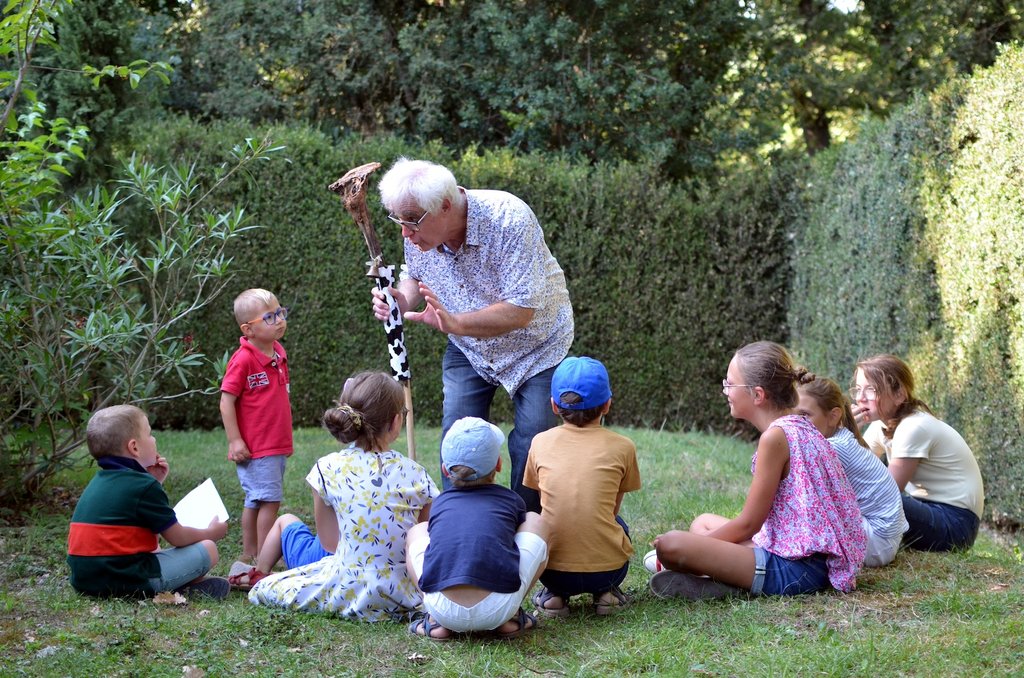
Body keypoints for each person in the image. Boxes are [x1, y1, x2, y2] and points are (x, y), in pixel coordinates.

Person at [373, 158, 574, 512]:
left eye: (411, 222)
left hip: (537, 348)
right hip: (470, 350)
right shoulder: (420, 228)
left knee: (531, 444)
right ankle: (461, 524)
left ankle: (522, 528)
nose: (404, 232)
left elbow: (521, 310)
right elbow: (414, 275)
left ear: (446, 206)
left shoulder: (509, 218)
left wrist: (456, 324)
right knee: (458, 441)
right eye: (398, 221)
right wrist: (400, 300)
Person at [649, 341, 866, 600]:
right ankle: (721, 581)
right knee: (702, 522)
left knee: (671, 545)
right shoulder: (800, 427)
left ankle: (724, 580)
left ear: (758, 395)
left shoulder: (775, 437)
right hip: (802, 554)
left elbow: (749, 524)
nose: (725, 390)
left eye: (730, 384)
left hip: (796, 569)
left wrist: (694, 547)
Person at [248, 372, 439, 619]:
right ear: (395, 421)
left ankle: (257, 573)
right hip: (405, 593)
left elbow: (329, 543)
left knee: (263, 590)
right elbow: (424, 539)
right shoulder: (416, 474)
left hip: (347, 588)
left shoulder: (325, 469)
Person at [405, 417, 549, 640]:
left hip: (444, 609)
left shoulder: (441, 503)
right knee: (534, 520)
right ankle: (511, 617)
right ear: (498, 465)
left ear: (445, 469)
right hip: (497, 608)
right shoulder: (511, 500)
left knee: (417, 530)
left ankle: (434, 621)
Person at [67, 405, 229, 599]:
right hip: (126, 581)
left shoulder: (98, 482)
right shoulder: (142, 486)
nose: (154, 439)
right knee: (208, 548)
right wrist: (212, 533)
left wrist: (155, 482)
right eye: (150, 434)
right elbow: (177, 537)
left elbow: (138, 526)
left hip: (85, 581)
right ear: (134, 447)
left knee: (155, 548)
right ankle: (177, 588)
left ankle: (180, 587)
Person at [523, 356, 641, 616]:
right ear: (607, 404)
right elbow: (611, 510)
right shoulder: (624, 447)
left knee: (546, 523)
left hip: (552, 573)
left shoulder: (539, 443)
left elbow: (547, 504)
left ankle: (554, 597)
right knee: (618, 523)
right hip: (608, 571)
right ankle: (607, 593)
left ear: (554, 406)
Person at [851, 354, 984, 552]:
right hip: (932, 512)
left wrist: (848, 432)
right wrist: (848, 431)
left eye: (872, 389)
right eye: (858, 389)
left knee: (874, 496)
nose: (861, 398)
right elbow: (854, 467)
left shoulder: (914, 426)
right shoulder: (882, 424)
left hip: (956, 525)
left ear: (899, 395)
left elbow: (887, 491)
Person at [797, 378, 908, 567]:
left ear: (833, 416)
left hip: (877, 542)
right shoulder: (840, 438)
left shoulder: (834, 447)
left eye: (805, 415)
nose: (797, 423)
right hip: (884, 538)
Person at [219, 288, 293, 564]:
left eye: (280, 313)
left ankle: (250, 553)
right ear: (248, 329)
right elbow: (226, 402)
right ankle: (263, 558)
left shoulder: (278, 352)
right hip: (257, 445)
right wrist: (235, 440)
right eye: (270, 317)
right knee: (268, 501)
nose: (279, 320)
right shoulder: (243, 360)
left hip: (273, 443)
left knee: (255, 499)